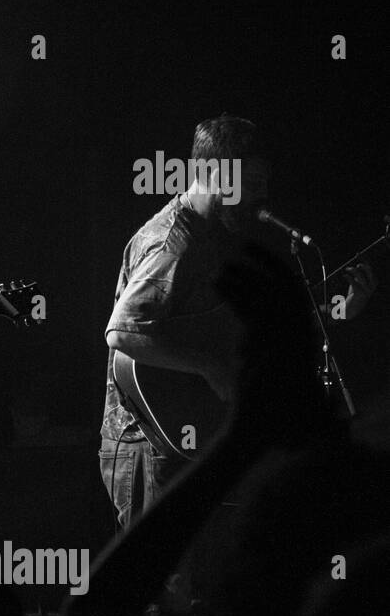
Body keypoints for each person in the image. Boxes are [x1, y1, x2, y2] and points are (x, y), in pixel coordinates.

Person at [99, 115, 374, 531]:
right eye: (253, 183)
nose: (261, 200)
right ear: (214, 173)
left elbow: (232, 331)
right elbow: (123, 331)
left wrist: (340, 310)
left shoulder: (216, 233)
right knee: (159, 587)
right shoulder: (174, 240)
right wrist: (208, 368)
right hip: (145, 442)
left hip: (182, 434)